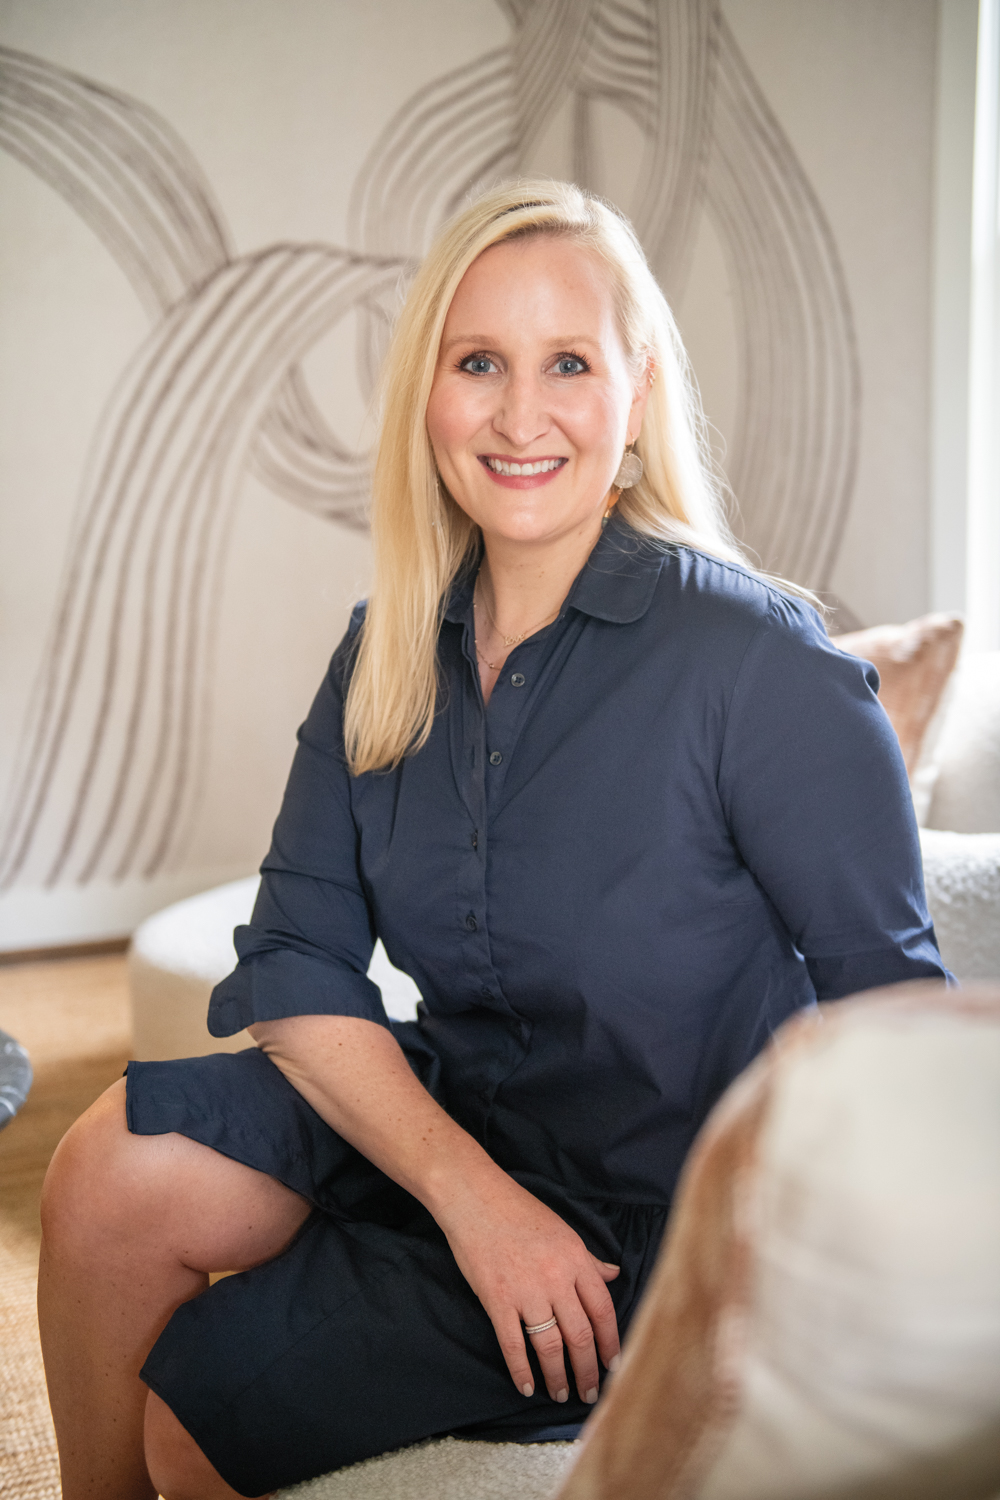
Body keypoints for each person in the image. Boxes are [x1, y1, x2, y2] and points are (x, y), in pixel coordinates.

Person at [37, 180, 948, 1500]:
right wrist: (473, 1201)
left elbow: (892, 1024)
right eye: (480, 363)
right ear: (430, 396)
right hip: (469, 1131)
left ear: (634, 395)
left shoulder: (761, 665)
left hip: (664, 1230)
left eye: (568, 363)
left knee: (200, 1414)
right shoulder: (388, 650)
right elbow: (297, 960)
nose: (521, 415)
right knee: (104, 1176)